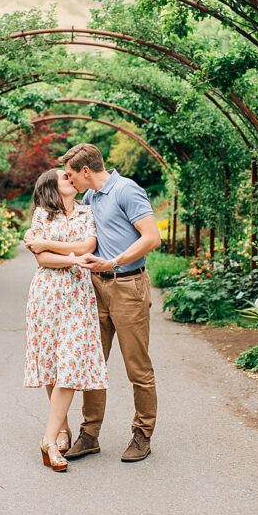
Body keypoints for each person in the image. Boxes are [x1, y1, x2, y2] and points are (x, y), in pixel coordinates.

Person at [59, 143, 162, 462]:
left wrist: (113, 261)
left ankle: (142, 434)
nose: (70, 179)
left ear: (86, 171)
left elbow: (152, 238)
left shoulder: (126, 190)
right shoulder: (90, 197)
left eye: (72, 174)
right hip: (95, 288)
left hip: (128, 285)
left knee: (137, 366)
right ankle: (89, 435)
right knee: (92, 364)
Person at [22, 168, 109, 472]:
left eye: (71, 176)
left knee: (70, 365)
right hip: (46, 295)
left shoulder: (86, 211)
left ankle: (47, 440)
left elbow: (89, 247)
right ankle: (61, 428)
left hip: (78, 297)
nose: (70, 178)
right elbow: (42, 259)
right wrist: (71, 258)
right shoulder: (41, 215)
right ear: (50, 187)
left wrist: (48, 244)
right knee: (52, 364)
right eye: (63, 177)